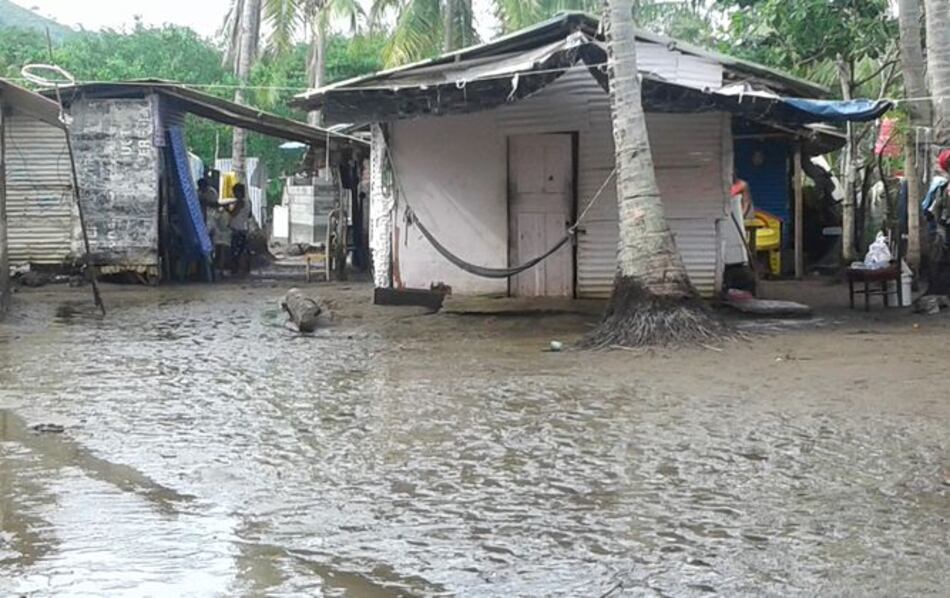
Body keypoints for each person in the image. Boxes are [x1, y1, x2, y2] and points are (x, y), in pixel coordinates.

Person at [229, 183, 252, 277]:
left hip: (237, 229)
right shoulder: (248, 202)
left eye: (235, 192)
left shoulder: (239, 202)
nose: (234, 194)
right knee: (242, 250)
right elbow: (249, 215)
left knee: (235, 251)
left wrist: (227, 209)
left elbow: (233, 213)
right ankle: (243, 270)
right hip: (244, 228)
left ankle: (236, 270)